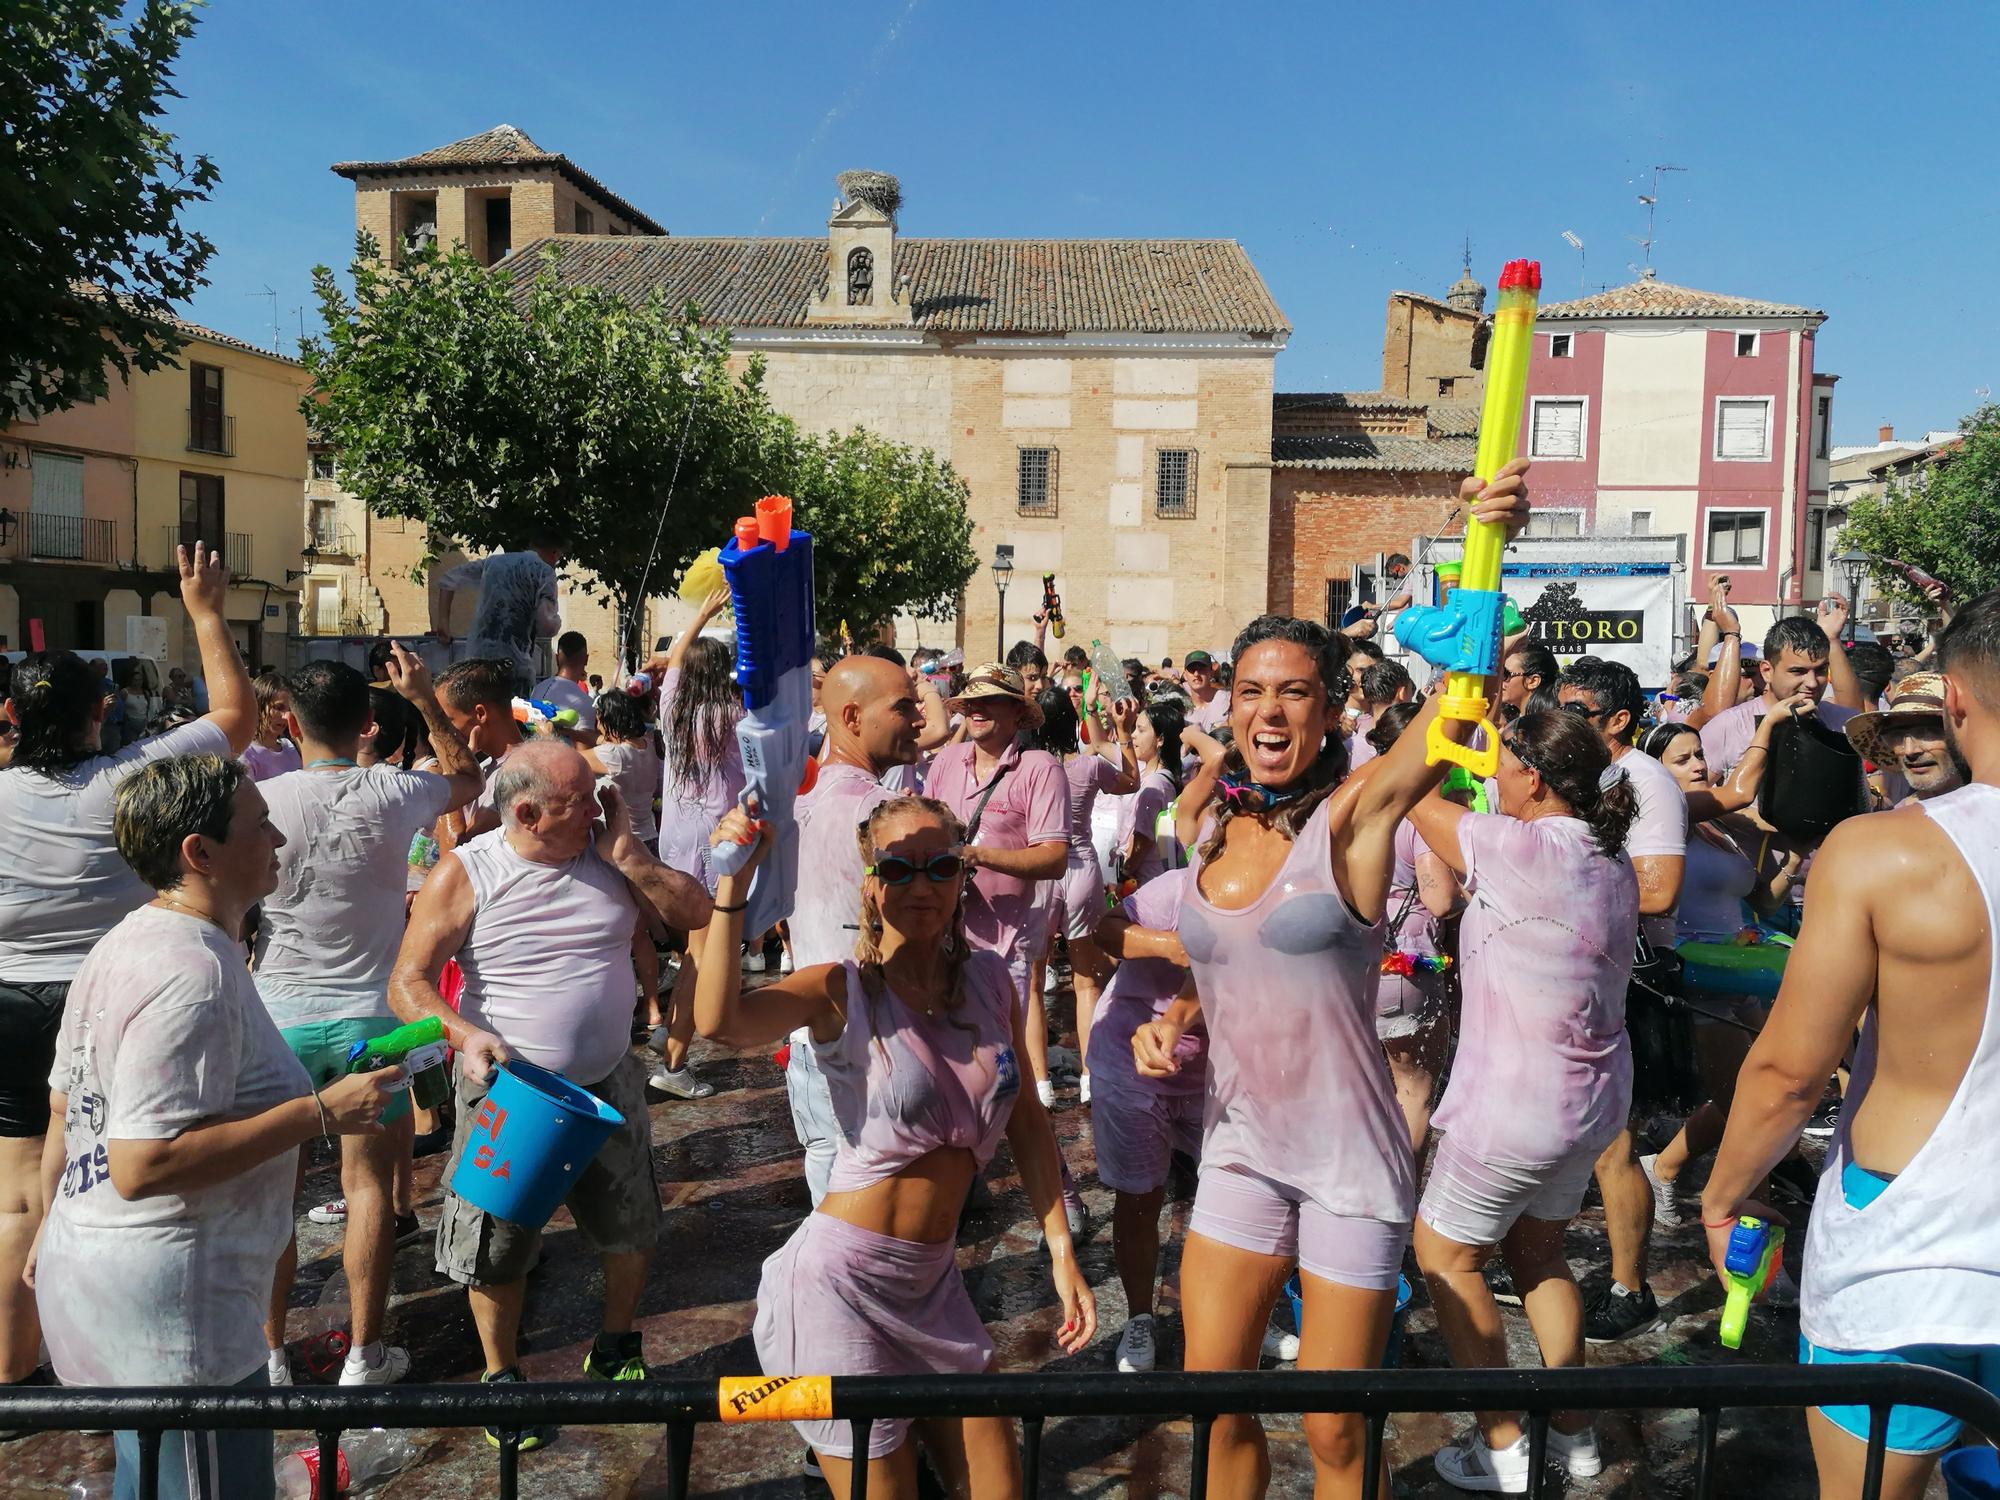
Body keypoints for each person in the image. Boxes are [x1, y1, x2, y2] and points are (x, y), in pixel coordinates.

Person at [1128, 458, 1528, 1500]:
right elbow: (1229, 959)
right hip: (1238, 1152)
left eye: (1292, 693)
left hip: (1349, 1167)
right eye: (1251, 691)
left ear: (1326, 707)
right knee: (1211, 1405)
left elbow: (1450, 721)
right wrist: (1171, 1014)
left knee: (1337, 1436)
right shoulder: (1208, 823)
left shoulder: (1351, 820)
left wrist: (1481, 555)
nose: (1267, 712)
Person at [695, 795, 1093, 1496]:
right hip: (837, 1291)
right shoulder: (842, 991)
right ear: (871, 883)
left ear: (962, 877)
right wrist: (732, 884)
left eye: (941, 867)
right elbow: (721, 1023)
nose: (921, 886)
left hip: (934, 1284)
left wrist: (1061, 1248)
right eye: (899, 869)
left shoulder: (990, 980)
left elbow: (1028, 1116)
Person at [32, 753, 400, 1500]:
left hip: (127, 1286)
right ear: (198, 853)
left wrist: (54, 1224)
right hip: (176, 1317)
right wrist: (322, 1112)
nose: (279, 839)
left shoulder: (133, 941)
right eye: (259, 824)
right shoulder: (186, 972)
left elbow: (67, 1109)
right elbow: (143, 1163)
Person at [1703, 590, 2000, 1500]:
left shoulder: (1881, 852)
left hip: (1912, 1246)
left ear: (1953, 699)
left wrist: (1723, 1196)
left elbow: (1793, 1071)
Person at [388, 737, 711, 1449]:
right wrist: (462, 1033)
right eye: (580, 802)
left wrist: (633, 858)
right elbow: (406, 983)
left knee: (633, 1227)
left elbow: (696, 913)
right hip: (512, 1095)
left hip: (608, 1083)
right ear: (528, 812)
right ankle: (502, 1380)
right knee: (497, 1247)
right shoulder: (466, 871)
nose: (599, 809)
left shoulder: (611, 853)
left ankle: (617, 1346)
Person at [0, 544, 254, 1393]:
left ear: (11, 713)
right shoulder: (122, 780)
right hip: (102, 995)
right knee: (103, 1183)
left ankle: (15, 1381)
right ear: (101, 708)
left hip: (7, 998)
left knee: (13, 1198)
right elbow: (234, 715)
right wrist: (206, 611)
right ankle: (95, 1355)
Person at [1406, 708, 1640, 1492]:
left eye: (1500, 765)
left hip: (1517, 1106)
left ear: (1533, 778)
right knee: (1538, 1253)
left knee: (1444, 1257)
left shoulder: (1519, 846)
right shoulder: (1609, 855)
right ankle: (1575, 1437)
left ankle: (1503, 1446)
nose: (1489, 776)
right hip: (1594, 1101)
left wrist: (1442, 724)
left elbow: (1405, 794)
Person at [251, 650, 482, 1388]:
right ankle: (364, 1355)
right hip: (371, 1021)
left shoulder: (261, 795)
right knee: (368, 1188)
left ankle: (272, 1357)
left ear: (290, 722)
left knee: (272, 1200)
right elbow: (469, 779)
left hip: (277, 1020)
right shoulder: (395, 787)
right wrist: (427, 701)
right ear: (366, 725)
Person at [1628, 715, 1806, 1234]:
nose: (1699, 764)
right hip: (1692, 977)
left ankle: (1665, 1167)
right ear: (1655, 771)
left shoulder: (1718, 828)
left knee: (1760, 1096)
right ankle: (1751, 1236)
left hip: (1739, 971)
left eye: (1700, 753)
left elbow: (1764, 896)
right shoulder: (1664, 814)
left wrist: (1791, 851)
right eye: (1682, 759)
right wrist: (1769, 721)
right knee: (1756, 1108)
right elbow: (1742, 788)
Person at [1556, 659, 1688, 1345]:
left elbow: (1661, 889)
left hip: (1634, 978)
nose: (1563, 720)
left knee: (1614, 1143)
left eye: (1576, 711)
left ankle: (1630, 1289)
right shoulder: (1590, 778)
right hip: (1592, 971)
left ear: (1617, 721)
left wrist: (1566, 877)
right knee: (1587, 1136)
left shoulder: (1645, 778)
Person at [783, 655, 923, 1206]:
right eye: (904, 706)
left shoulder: (796, 807)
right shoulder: (885, 813)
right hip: (878, 1047)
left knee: (830, 1201)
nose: (918, 718)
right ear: (853, 716)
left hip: (812, 1040)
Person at [1088, 868, 1202, 1374]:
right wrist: (1166, 943)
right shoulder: (1175, 888)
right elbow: (1107, 930)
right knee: (1140, 1197)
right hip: (1130, 1062)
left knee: (1242, 1199)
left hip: (1219, 1071)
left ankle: (1242, 1308)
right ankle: (1139, 1316)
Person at [923, 665, 1068, 1017]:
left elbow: (1054, 858)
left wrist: (976, 855)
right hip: (937, 940)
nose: (977, 709)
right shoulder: (947, 759)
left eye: (990, 700)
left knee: (998, 1059)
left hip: (1005, 951)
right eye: (972, 701)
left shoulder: (1040, 768)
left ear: (1018, 711)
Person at [652, 587, 742, 1096]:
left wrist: (702, 616)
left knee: (693, 947)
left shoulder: (671, 709)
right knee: (700, 956)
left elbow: (673, 668)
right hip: (714, 846)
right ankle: (673, 1063)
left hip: (677, 846)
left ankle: (668, 1032)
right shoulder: (728, 717)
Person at [1032, 684, 1137, 1107]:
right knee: (1085, 980)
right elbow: (1130, 782)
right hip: (1080, 866)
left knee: (1035, 982)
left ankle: (1040, 1083)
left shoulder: (1024, 766)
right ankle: (1091, 1076)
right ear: (1071, 723)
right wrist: (1123, 733)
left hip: (1041, 870)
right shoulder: (1088, 765)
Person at [1366, 701, 1462, 1153]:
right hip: (1408, 972)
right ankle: (1400, 1207)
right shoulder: (1423, 817)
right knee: (1414, 1094)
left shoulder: (1356, 807)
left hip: (1357, 969)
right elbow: (1439, 898)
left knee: (1369, 1093)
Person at [430, 532, 565, 694]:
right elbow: (546, 625)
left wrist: (443, 622)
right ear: (554, 553)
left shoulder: (494, 562)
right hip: (514, 664)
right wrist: (557, 622)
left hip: (477, 658)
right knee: (513, 714)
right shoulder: (543, 571)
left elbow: (448, 579)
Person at [1845, 673, 1967, 806]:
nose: (1910, 751)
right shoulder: (1892, 822)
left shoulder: (1990, 807)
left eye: (1927, 733)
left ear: (1959, 733)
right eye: (1897, 736)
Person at [1115, 696, 1186, 889]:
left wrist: (1124, 874)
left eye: (1141, 730)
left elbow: (1142, 841)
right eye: (1134, 728)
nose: (1134, 735)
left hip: (1144, 881)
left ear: (1161, 739)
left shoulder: (1155, 785)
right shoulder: (1154, 775)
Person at [531, 629, 598, 747]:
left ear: (556, 658)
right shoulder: (586, 704)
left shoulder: (537, 689)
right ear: (586, 659)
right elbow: (584, 753)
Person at [240, 669, 302, 782]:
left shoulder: (291, 748)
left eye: (290, 709)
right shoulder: (246, 754)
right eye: (278, 708)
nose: (286, 716)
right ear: (258, 705)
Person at [1499, 641, 1558, 723]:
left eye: (1505, 674)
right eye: (1498, 672)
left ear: (1533, 681)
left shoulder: (1547, 726)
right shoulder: (1511, 724)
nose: (1499, 679)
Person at [1183, 649, 1230, 733]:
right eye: (1191, 669)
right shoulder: (1181, 708)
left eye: (1201, 669)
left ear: (1211, 673)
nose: (1196, 674)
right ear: (1185, 675)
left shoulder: (1227, 699)